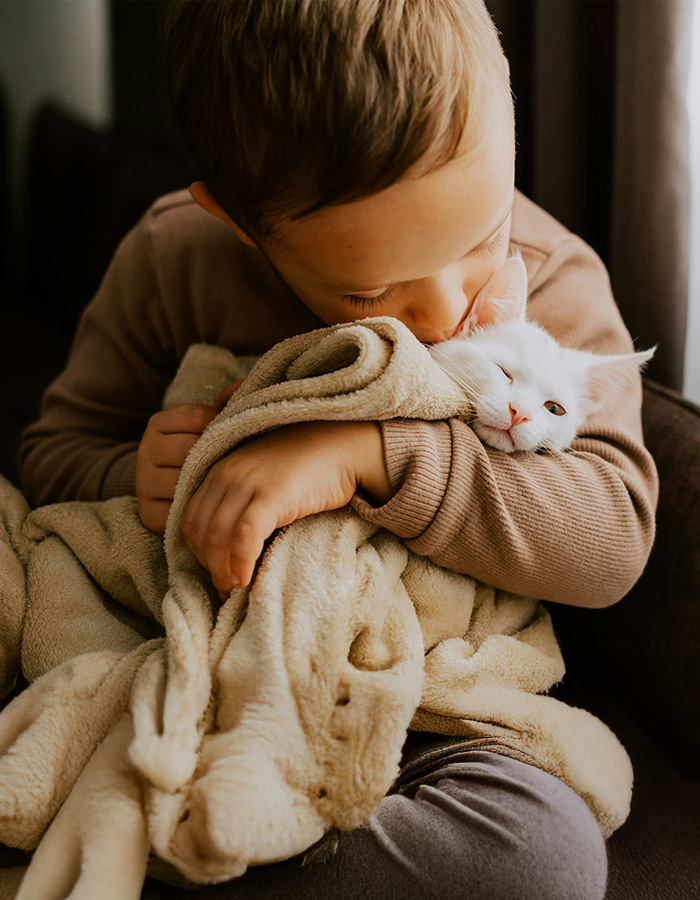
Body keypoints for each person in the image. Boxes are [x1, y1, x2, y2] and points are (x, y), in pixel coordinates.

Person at [18, 2, 657, 897]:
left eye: (481, 240)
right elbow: (52, 449)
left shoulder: (553, 279)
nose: (440, 309)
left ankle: (180, 842)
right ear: (243, 225)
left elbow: (614, 536)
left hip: (415, 704)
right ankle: (161, 816)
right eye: (369, 289)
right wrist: (130, 472)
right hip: (182, 669)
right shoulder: (175, 255)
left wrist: (368, 454)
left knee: (542, 855)